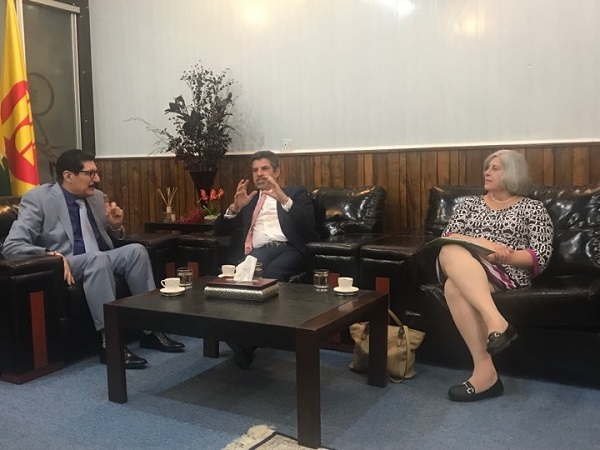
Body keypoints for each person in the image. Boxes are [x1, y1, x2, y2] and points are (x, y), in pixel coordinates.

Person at [2, 149, 184, 369]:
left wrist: (115, 227)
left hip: (99, 259)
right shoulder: (38, 199)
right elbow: (11, 245)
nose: (96, 179)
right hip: (66, 264)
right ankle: (111, 343)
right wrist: (50, 254)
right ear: (68, 176)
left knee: (136, 251)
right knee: (97, 259)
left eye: (96, 173)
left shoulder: (96, 197)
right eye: (90, 173)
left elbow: (108, 239)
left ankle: (151, 330)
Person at [436, 149, 553, 402]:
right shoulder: (469, 204)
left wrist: (502, 257)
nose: (487, 172)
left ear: (512, 173)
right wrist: (483, 244)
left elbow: (540, 255)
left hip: (506, 272)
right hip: (464, 264)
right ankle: (496, 322)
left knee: (453, 288)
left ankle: (485, 373)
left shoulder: (532, 208)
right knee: (449, 249)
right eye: (487, 168)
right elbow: (449, 236)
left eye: (495, 168)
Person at [214, 150, 318, 368]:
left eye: (264, 169)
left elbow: (309, 225)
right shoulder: (250, 200)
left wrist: (283, 198)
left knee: (269, 279)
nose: (259, 174)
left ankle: (247, 343)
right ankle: (241, 336)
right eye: (255, 170)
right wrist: (235, 207)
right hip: (259, 251)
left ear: (276, 172)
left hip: (288, 248)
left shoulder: (295, 193)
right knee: (239, 281)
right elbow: (219, 230)